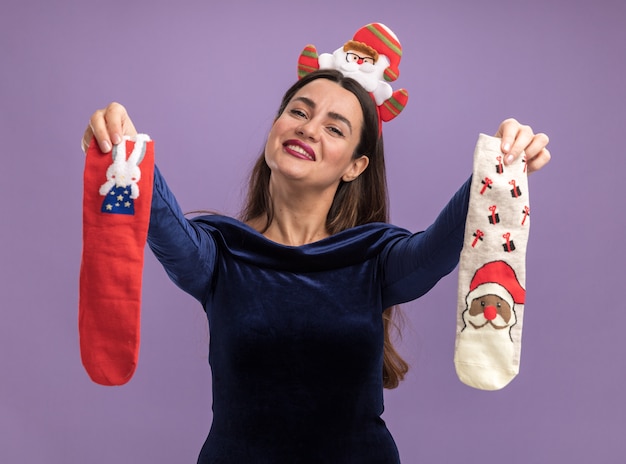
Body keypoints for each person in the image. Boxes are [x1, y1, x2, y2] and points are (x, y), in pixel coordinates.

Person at [81, 69, 550, 463]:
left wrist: (501, 165)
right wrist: (121, 143)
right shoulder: (218, 253)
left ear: (355, 166)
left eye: (335, 127)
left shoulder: (377, 258)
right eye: (299, 112)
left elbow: (442, 245)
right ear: (275, 127)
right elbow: (152, 211)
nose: (308, 128)